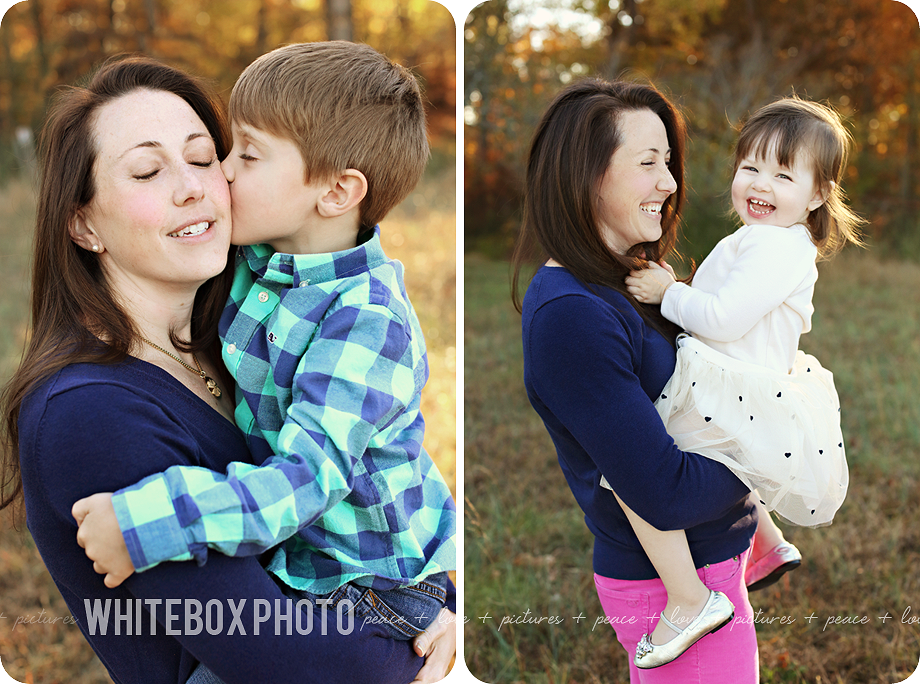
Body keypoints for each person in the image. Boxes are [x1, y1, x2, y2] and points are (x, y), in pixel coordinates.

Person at [0, 56, 454, 684]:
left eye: (204, 156)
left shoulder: (250, 330)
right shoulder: (87, 413)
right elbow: (285, 661)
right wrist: (420, 650)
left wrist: (439, 602)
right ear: (82, 223)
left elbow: (383, 474)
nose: (197, 186)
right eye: (147, 170)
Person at [512, 77, 759, 683]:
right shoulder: (571, 315)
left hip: (710, 565)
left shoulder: (634, 278)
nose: (670, 184)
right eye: (648, 163)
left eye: (668, 163)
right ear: (585, 175)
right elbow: (662, 491)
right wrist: (774, 453)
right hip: (669, 586)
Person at [619, 95, 862, 667]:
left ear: (818, 194)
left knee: (628, 470)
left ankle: (689, 599)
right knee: (737, 455)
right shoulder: (768, 239)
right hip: (738, 387)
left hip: (727, 388)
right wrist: (685, 289)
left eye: (783, 174)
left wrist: (666, 294)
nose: (761, 183)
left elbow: (723, 318)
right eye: (750, 167)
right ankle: (768, 545)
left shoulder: (777, 246)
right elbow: (724, 300)